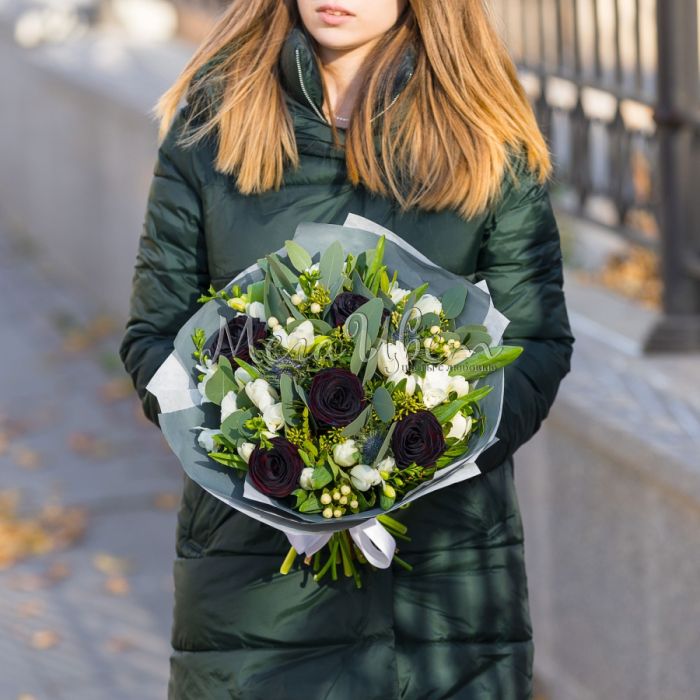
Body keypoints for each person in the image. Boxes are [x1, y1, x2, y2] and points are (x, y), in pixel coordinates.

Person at [118, 0, 575, 698]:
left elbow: (536, 339)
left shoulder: (486, 134)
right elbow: (155, 336)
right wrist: (262, 445)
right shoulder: (213, 124)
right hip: (252, 578)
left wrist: (418, 451)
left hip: (443, 582)